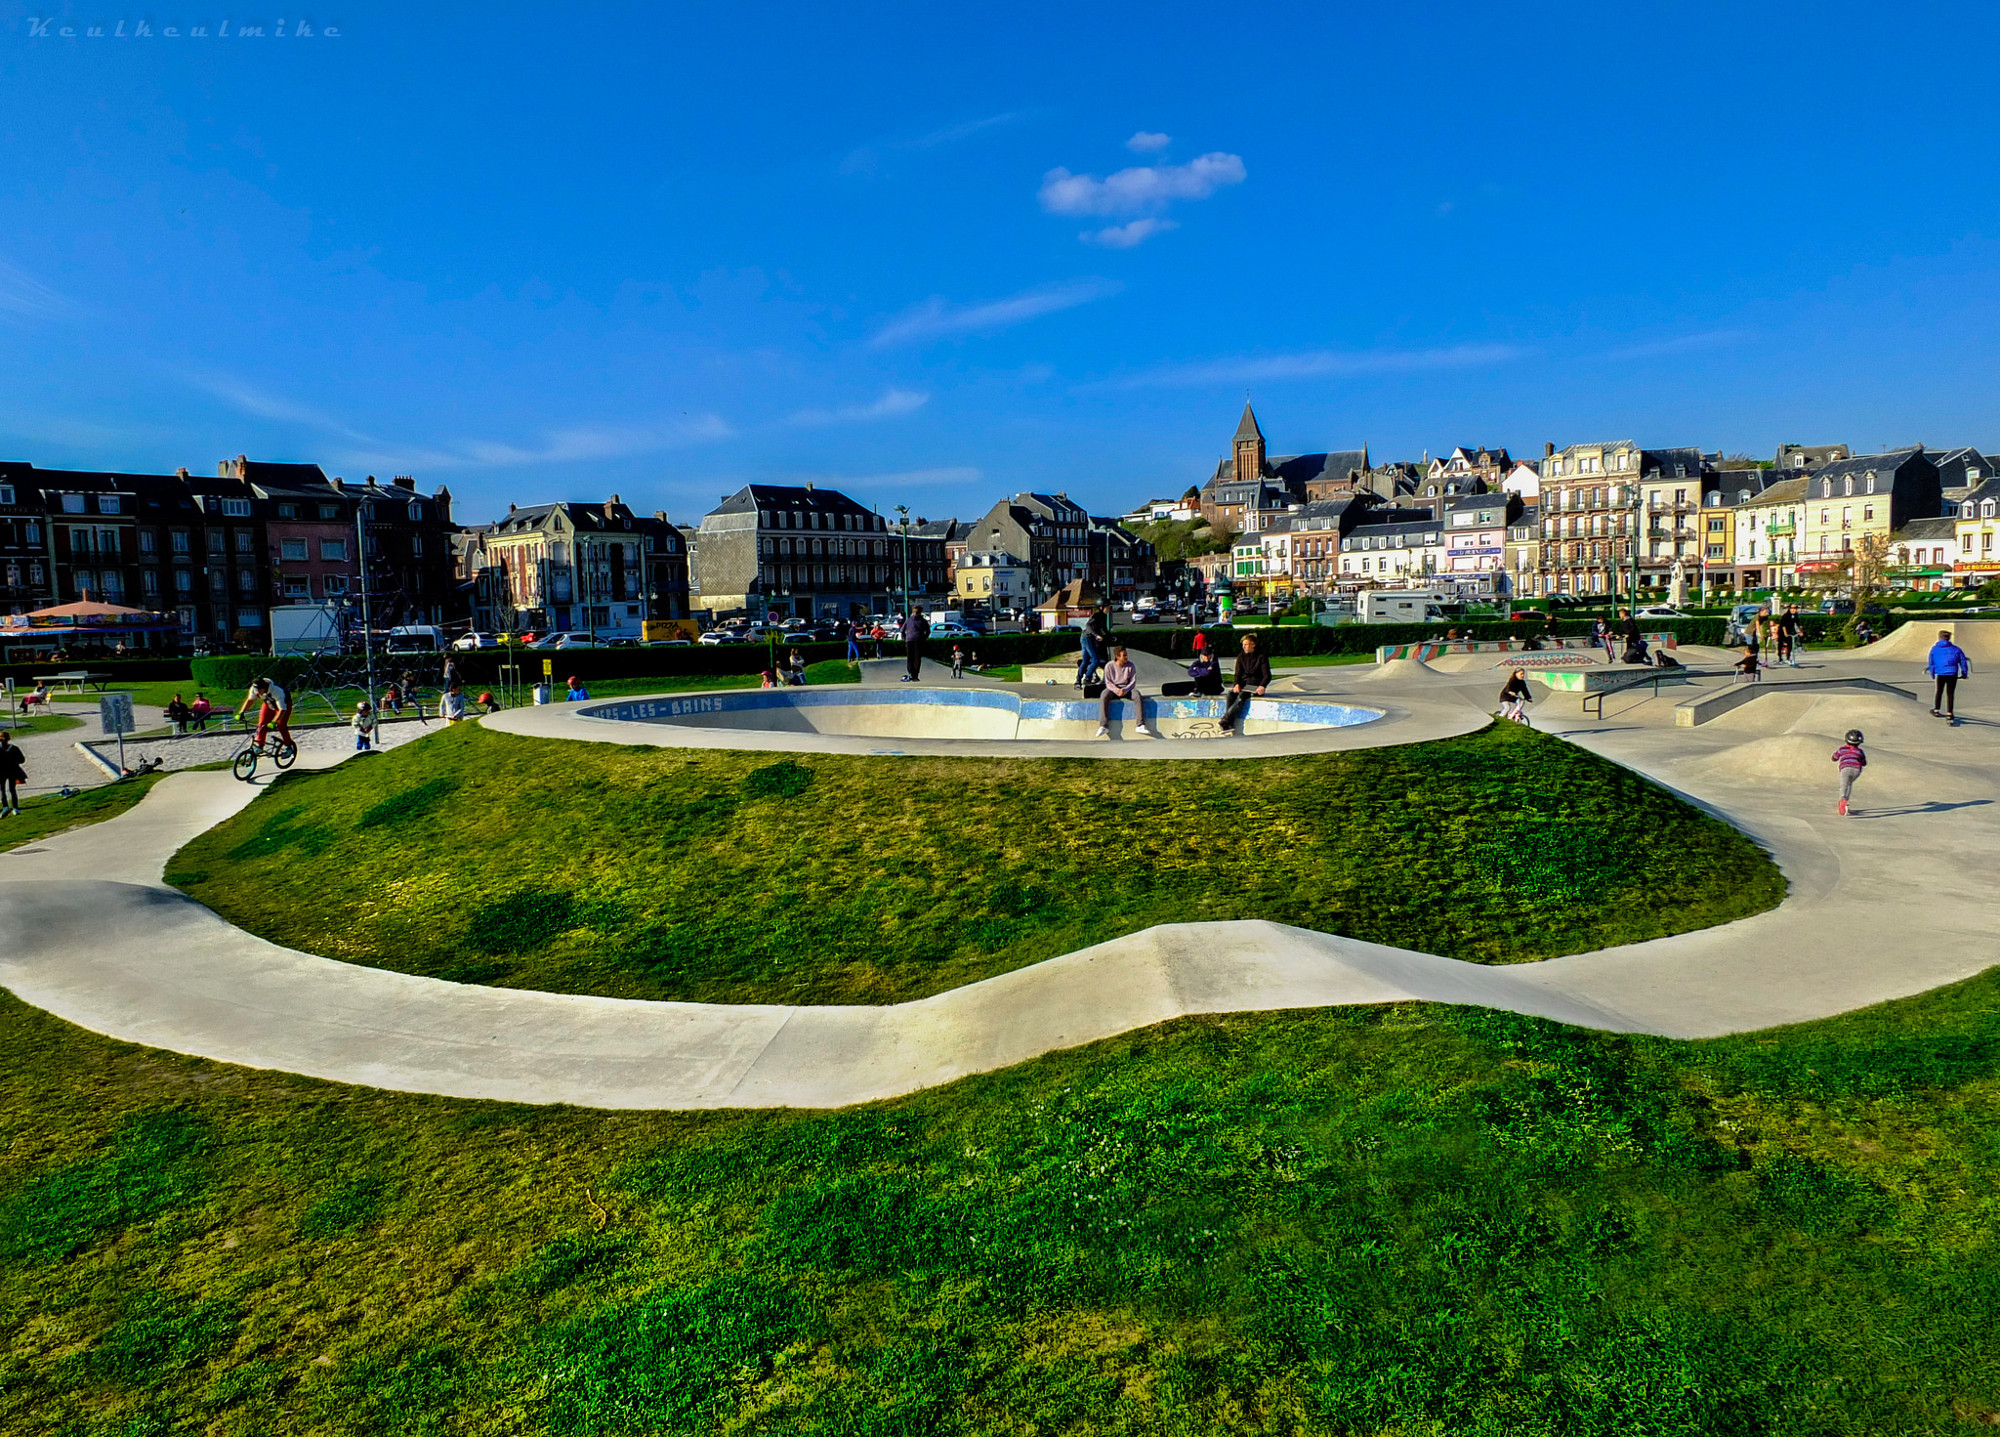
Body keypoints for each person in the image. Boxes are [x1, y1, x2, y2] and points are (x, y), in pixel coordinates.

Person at [1096, 646, 1155, 738]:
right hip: (1113, 689)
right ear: (1117, 656)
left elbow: (1133, 681)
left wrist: (1125, 690)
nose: (1126, 657)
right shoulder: (1109, 666)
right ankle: (1103, 725)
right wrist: (1116, 690)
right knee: (1104, 695)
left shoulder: (1131, 665)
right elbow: (1108, 682)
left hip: (1127, 688)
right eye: (1124, 655)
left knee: (1137, 695)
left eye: (1126, 655)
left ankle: (1140, 725)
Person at [1219, 633, 1271, 735]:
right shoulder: (1241, 657)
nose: (1244, 647)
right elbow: (1237, 674)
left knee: (1242, 696)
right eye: (1243, 645)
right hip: (1244, 684)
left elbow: (1267, 675)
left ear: (1253, 645)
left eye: (1246, 644)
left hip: (1255, 686)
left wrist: (1262, 686)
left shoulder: (1261, 657)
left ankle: (1225, 720)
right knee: (1230, 695)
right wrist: (1236, 684)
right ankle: (1228, 723)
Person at [235, 676, 293, 751]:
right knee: (262, 724)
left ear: (265, 688)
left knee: (281, 726)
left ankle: (288, 746)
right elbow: (250, 700)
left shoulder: (277, 691)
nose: (258, 693)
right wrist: (241, 712)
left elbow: (282, 710)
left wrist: (274, 721)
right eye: (256, 690)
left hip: (284, 706)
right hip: (269, 704)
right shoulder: (255, 688)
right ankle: (260, 745)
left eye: (259, 690)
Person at [1927, 628, 1971, 722]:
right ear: (1949, 638)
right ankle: (1950, 713)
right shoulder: (1956, 649)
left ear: (1939, 638)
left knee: (1939, 691)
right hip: (1952, 673)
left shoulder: (1934, 649)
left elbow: (1931, 662)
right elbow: (1963, 661)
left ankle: (1936, 709)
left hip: (1941, 673)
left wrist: (1932, 673)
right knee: (1950, 693)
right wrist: (1964, 673)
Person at [1831, 728, 1866, 817]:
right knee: (1849, 784)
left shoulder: (1842, 749)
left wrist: (1837, 757)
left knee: (1844, 785)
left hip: (1845, 768)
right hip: (1857, 769)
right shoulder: (1860, 751)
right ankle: (1846, 802)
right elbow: (1864, 762)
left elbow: (1834, 758)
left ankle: (1842, 801)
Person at [1076, 601, 1111, 688]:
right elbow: (1088, 626)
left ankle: (1077, 681)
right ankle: (1087, 679)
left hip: (1087, 638)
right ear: (1101, 607)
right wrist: (1096, 635)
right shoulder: (1096, 615)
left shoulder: (1104, 616)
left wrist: (1111, 636)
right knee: (1096, 660)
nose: (1109, 609)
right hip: (1087, 637)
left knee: (1086, 661)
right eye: (1107, 607)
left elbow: (1104, 628)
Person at [0, 730, 24, 817]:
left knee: (3, 789)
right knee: (11, 790)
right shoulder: (14, 748)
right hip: (11, 771)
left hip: (3, 772)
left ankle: (6, 806)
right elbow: (22, 760)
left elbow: (22, 760)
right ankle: (14, 807)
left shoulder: (9, 749)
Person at [902, 607, 930, 682]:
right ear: (920, 612)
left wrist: (905, 639)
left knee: (910, 657)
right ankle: (915, 674)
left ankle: (911, 672)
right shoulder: (923, 621)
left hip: (909, 640)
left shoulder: (908, 620)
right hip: (918, 640)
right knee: (917, 657)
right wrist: (924, 638)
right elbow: (928, 631)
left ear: (913, 612)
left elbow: (902, 630)